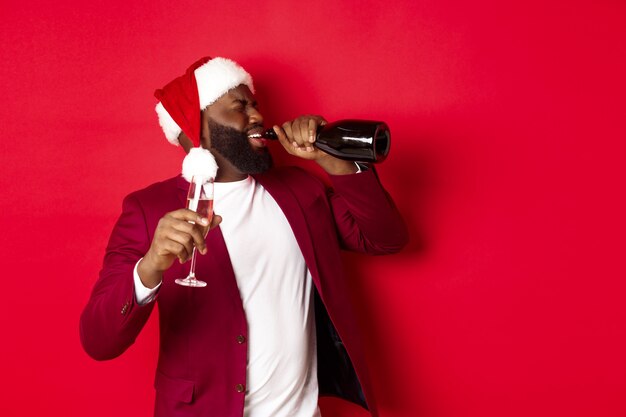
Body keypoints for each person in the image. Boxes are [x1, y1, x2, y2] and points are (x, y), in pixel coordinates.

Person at [80, 56, 408, 417]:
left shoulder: (299, 188)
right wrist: (150, 267)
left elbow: (385, 237)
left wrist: (331, 159)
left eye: (255, 104)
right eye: (239, 106)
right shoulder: (147, 209)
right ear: (197, 127)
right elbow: (98, 340)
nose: (257, 116)